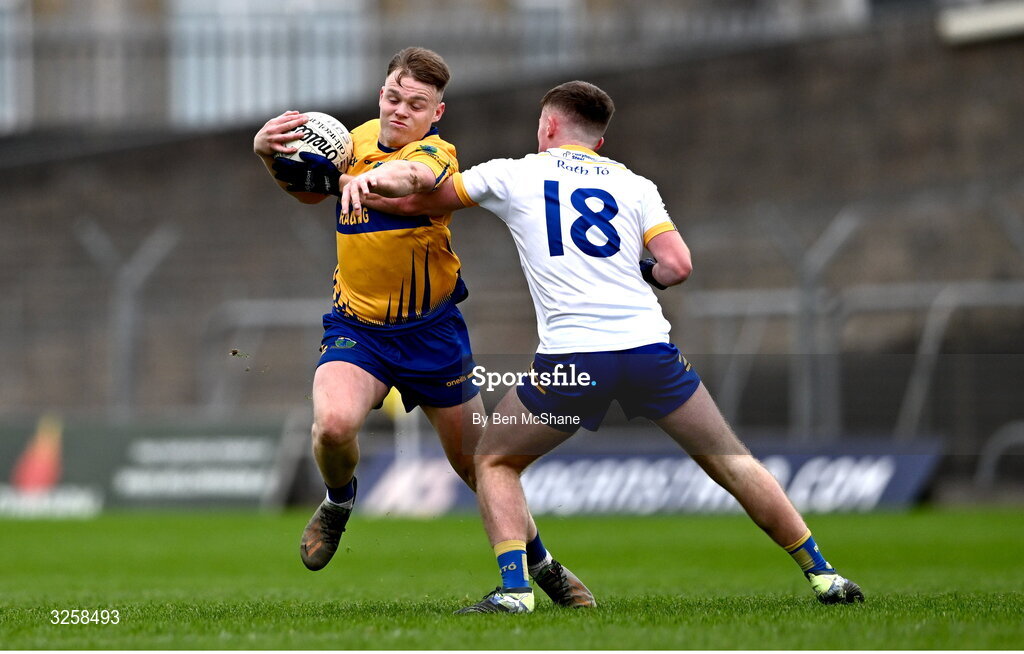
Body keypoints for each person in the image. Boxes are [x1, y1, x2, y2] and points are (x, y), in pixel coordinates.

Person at [338, 80, 866, 614]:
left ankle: (516, 591)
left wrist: (350, 184)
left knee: (494, 461)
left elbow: (420, 202)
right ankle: (824, 574)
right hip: (649, 354)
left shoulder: (516, 172)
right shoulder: (635, 184)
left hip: (575, 360)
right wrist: (641, 272)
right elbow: (678, 266)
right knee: (732, 462)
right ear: (600, 140)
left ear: (547, 127)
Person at [252, 48, 594, 609]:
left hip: (432, 334)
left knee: (478, 464)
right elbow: (310, 188)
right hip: (357, 327)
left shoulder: (438, 153)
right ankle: (339, 502)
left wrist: (371, 179)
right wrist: (268, 154)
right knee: (333, 427)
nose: (400, 110)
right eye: (393, 97)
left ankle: (544, 566)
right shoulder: (347, 141)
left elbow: (412, 175)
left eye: (416, 104)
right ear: (381, 93)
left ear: (437, 113)